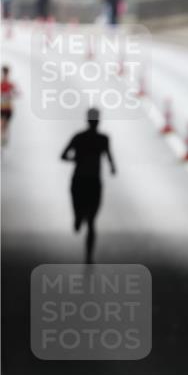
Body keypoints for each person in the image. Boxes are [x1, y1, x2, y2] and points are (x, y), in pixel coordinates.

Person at [61, 108, 116, 262]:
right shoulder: (103, 139)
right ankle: (89, 256)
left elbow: (63, 155)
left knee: (78, 205)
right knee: (92, 222)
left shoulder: (79, 137)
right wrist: (112, 168)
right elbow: (110, 157)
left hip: (78, 179)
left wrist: (76, 160)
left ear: (87, 120)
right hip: (93, 181)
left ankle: (78, 216)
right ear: (98, 121)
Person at [1, 65, 19, 146]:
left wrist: (10, 95)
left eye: (6, 73)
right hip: (1, 107)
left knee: (6, 124)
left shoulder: (10, 84)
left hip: (8, 108)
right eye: (4, 72)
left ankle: (4, 138)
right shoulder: (1, 83)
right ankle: (2, 138)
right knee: (2, 123)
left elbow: (17, 93)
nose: (5, 74)